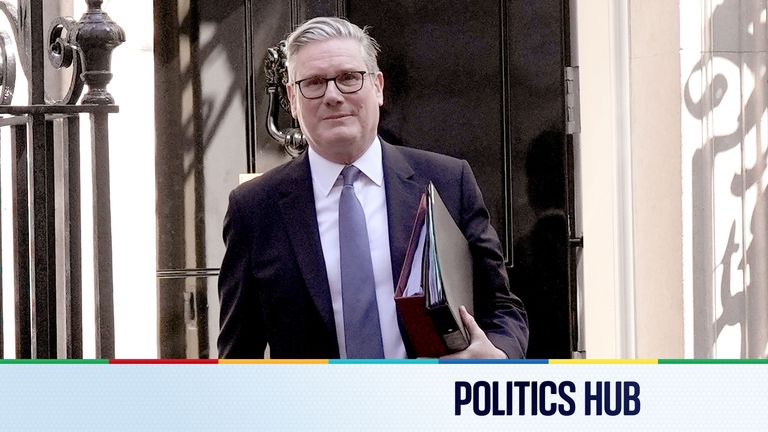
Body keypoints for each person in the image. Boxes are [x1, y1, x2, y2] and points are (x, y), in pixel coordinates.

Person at [218, 16, 528, 359]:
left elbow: (502, 307)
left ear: (377, 86)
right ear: (292, 99)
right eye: (314, 83)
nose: (333, 95)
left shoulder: (447, 182)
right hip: (312, 411)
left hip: (429, 406)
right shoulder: (254, 209)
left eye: (349, 78)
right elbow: (238, 354)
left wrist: (497, 355)